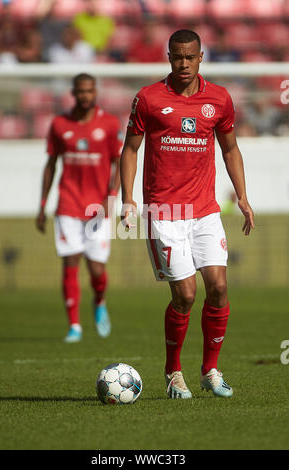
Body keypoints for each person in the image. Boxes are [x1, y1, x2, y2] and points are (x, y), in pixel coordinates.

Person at [120, 30, 254, 399]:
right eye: (177, 57)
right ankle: (172, 371)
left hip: (205, 211)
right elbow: (130, 150)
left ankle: (210, 368)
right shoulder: (147, 98)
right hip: (165, 212)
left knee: (220, 287)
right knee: (186, 295)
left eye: (190, 57)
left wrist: (242, 197)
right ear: (168, 57)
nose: (183, 63)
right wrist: (127, 199)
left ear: (201, 57)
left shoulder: (220, 100)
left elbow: (230, 148)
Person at [36, 73, 122, 342]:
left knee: (96, 269)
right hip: (68, 203)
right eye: (80, 91)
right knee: (70, 263)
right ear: (73, 93)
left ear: (95, 92)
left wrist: (112, 195)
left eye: (89, 91)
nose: (85, 96)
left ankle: (99, 301)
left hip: (98, 207)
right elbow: (51, 165)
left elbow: (118, 163)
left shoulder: (108, 124)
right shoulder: (60, 124)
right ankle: (74, 325)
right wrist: (42, 205)